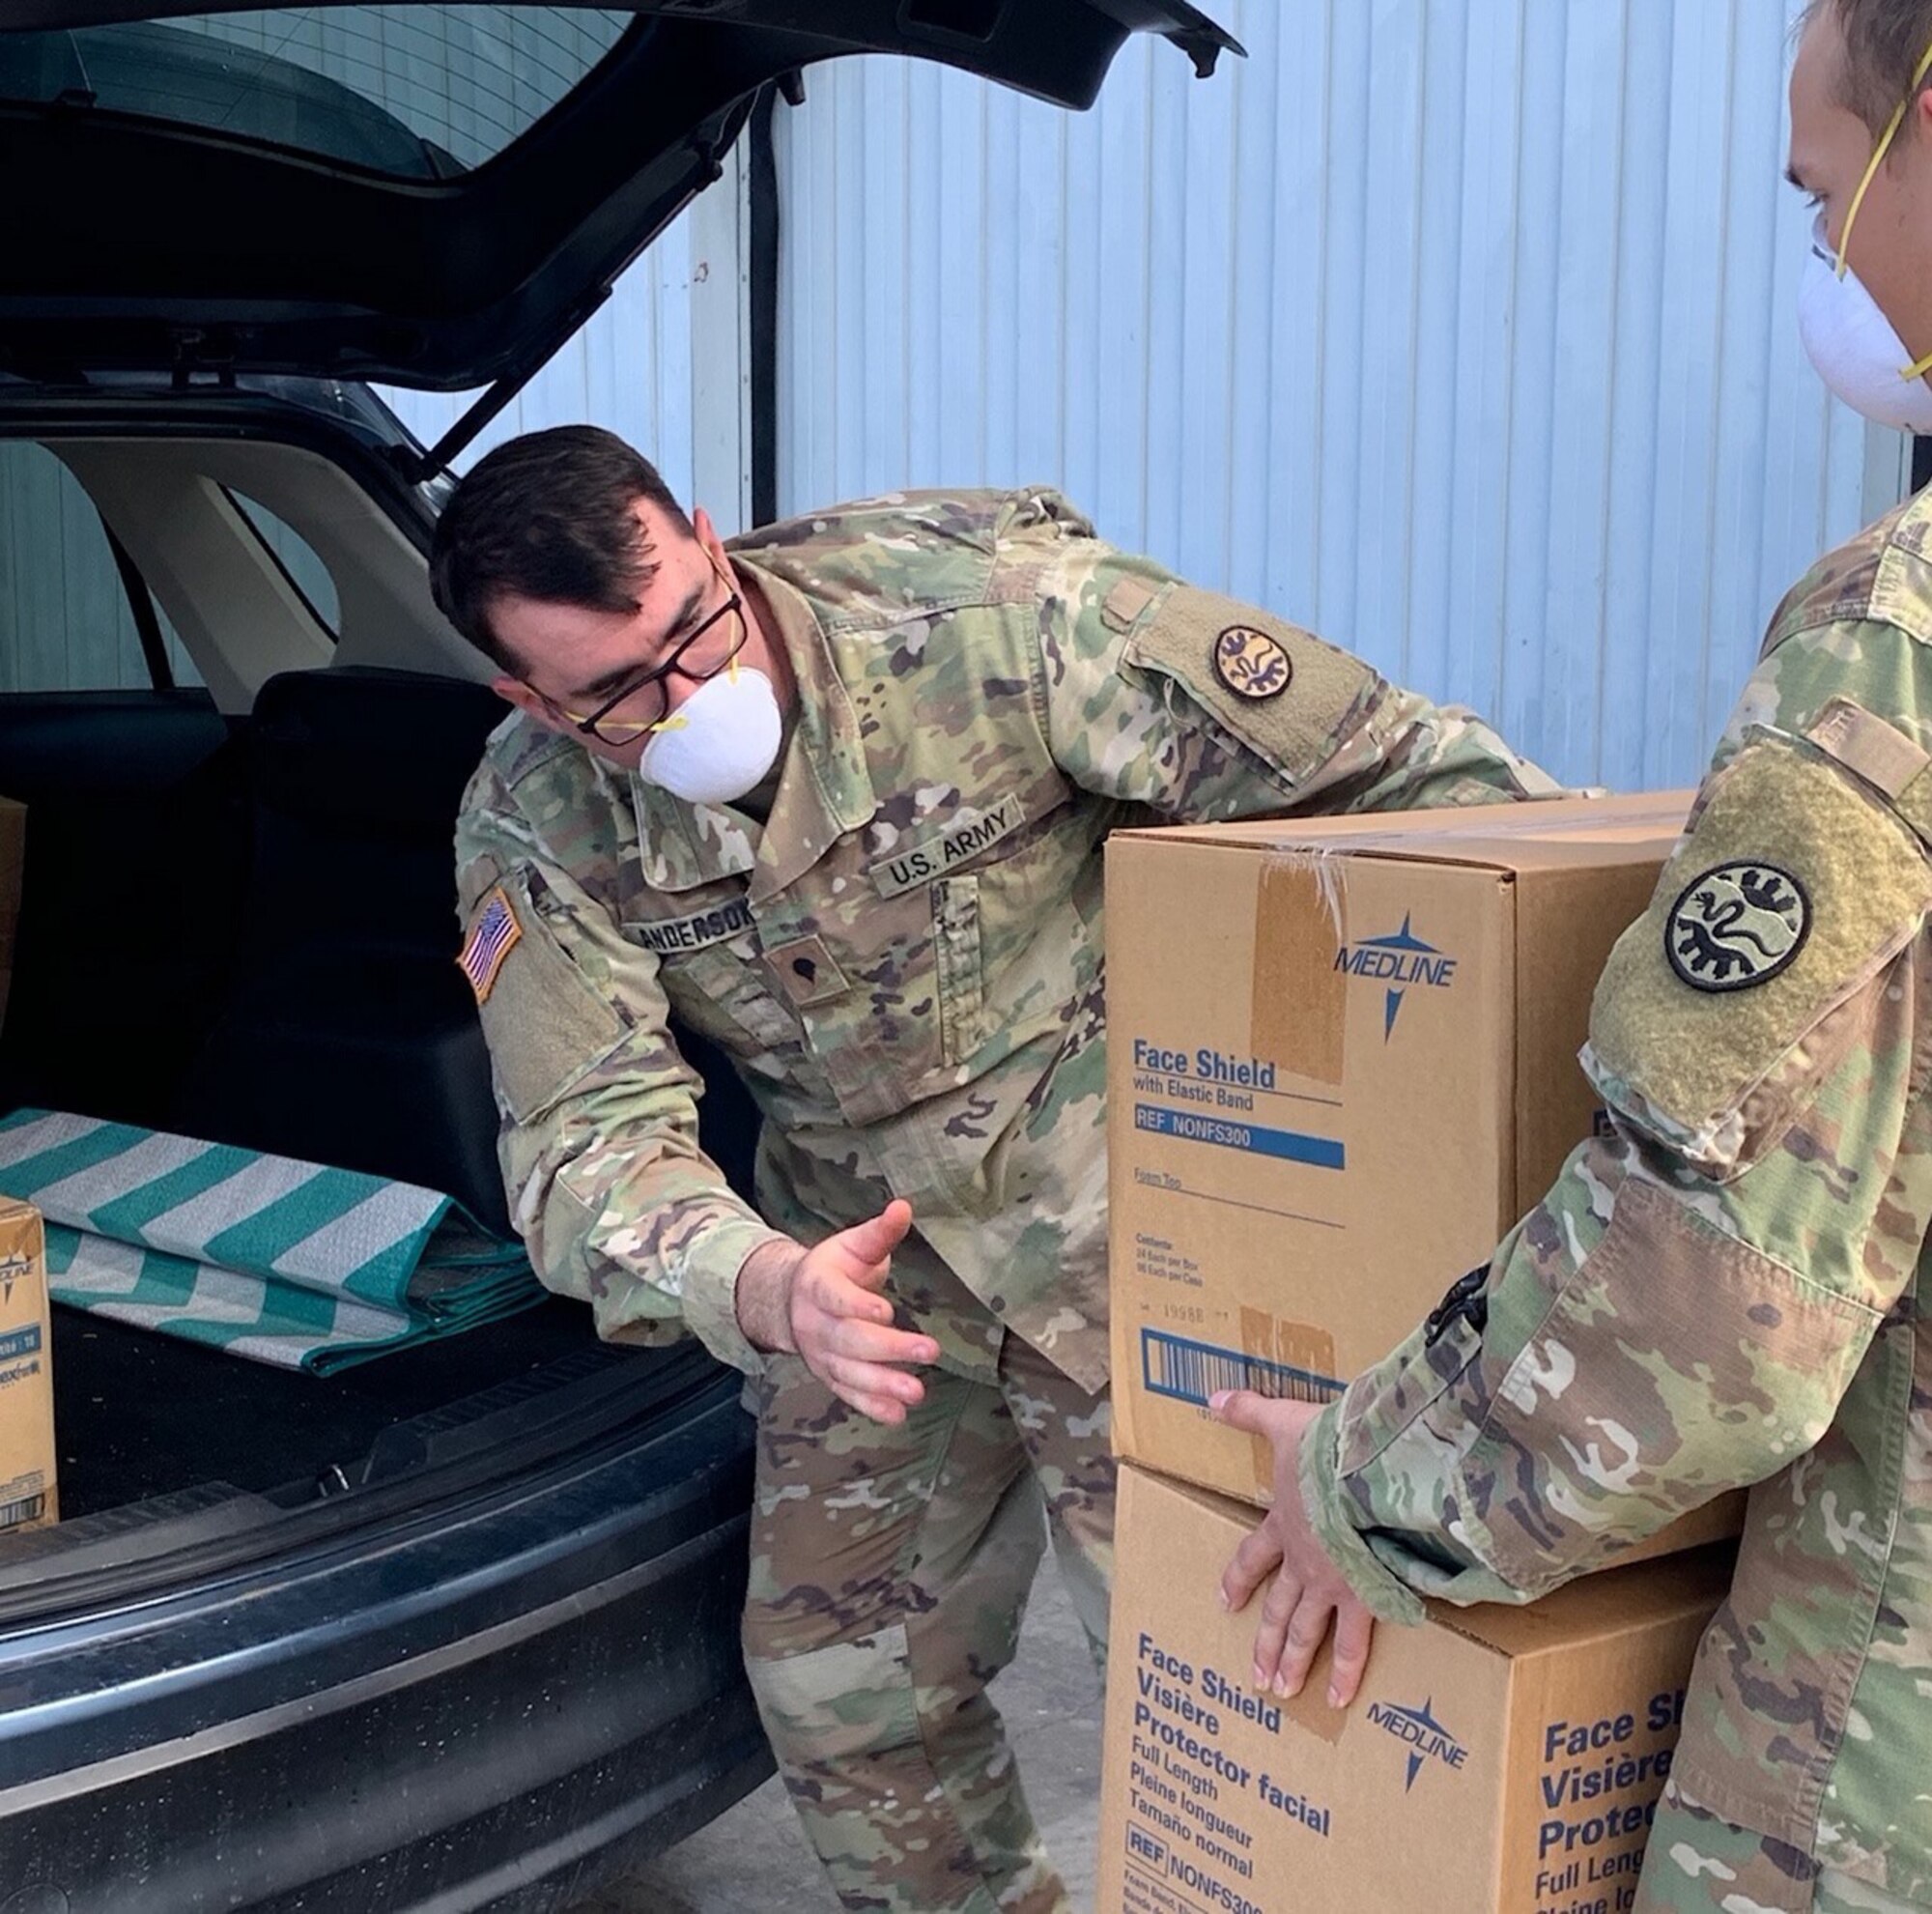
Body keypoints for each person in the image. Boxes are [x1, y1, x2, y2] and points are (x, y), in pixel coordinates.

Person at [429, 427, 1561, 1914]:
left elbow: (1415, 781)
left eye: (693, 631)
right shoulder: (536, 815)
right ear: (529, 698)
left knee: (1251, 1696)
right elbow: (587, 1137)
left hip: (1137, 1248)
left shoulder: (994, 621)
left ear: (707, 538)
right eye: (619, 698)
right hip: (861, 1290)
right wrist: (761, 1281)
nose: (689, 699)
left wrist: (1566, 1041)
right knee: (847, 1691)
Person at [1210, 6, 1932, 1910]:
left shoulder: (1898, 640)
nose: (1827, 260)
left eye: (1818, 194)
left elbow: (1712, 1320)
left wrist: (1362, 1488)